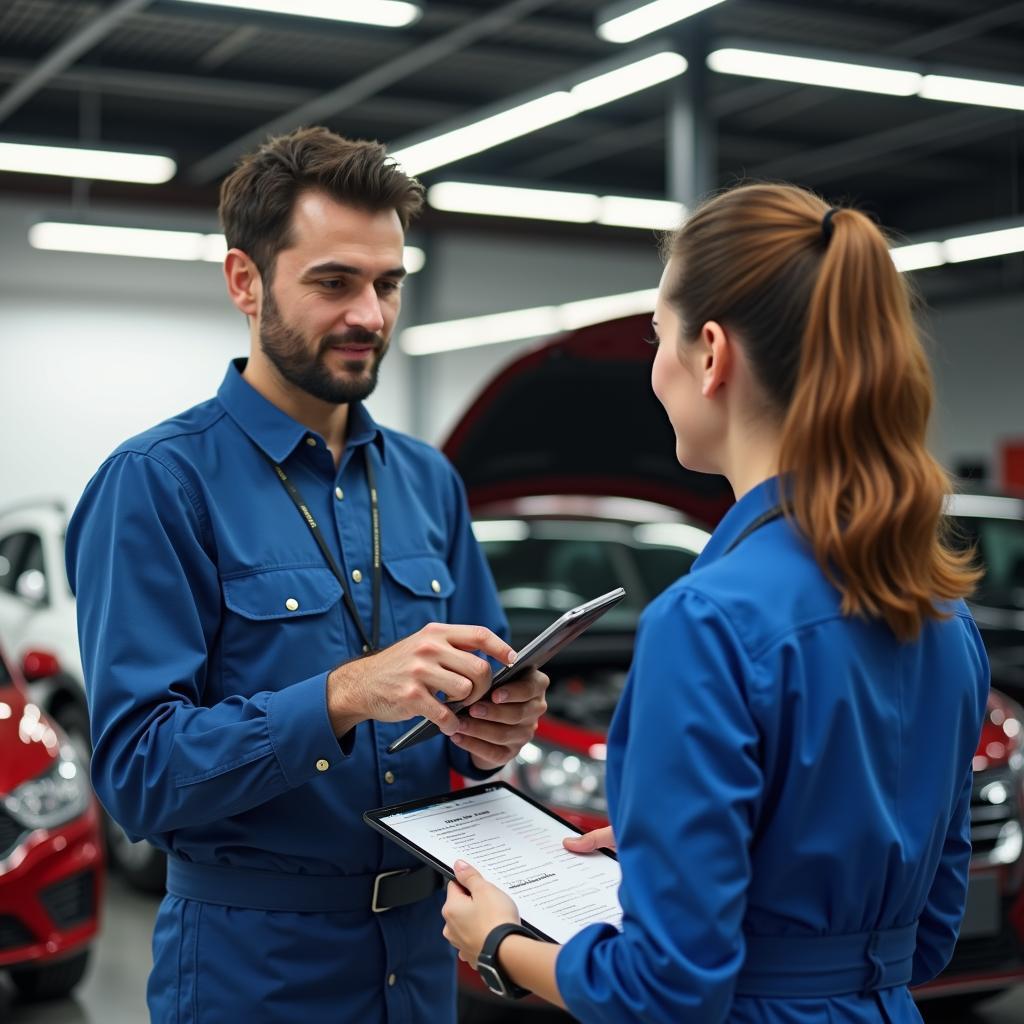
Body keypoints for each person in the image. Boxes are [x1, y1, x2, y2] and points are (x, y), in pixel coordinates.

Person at [440, 182, 989, 1023]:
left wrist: (500, 943)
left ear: (710, 352)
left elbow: (664, 990)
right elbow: (927, 936)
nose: (654, 369)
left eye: (657, 335)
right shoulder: (944, 617)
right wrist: (702, 859)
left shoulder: (705, 623)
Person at [66, 126, 549, 1024]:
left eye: (388, 283)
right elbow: (137, 775)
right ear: (245, 282)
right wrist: (344, 695)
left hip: (419, 963)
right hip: (258, 971)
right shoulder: (158, 484)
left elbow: (469, 724)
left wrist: (494, 729)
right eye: (334, 282)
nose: (370, 313)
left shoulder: (426, 481)